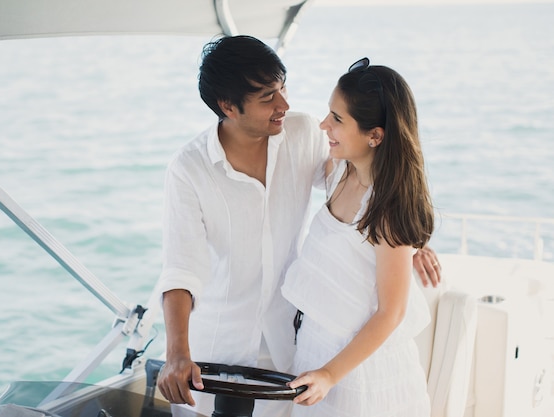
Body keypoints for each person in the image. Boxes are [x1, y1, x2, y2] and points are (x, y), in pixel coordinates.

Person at [155, 36, 440, 417]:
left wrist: (411, 239)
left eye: (282, 88)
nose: (284, 105)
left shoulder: (303, 133)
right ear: (228, 107)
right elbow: (181, 268)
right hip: (215, 348)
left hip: (289, 347)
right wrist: (177, 354)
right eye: (267, 97)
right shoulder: (189, 169)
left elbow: (365, 172)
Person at [281, 58, 434, 417]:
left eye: (337, 118)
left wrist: (330, 374)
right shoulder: (339, 172)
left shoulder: (388, 208)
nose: (323, 125)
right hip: (317, 349)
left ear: (375, 136)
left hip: (359, 372)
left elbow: (390, 312)